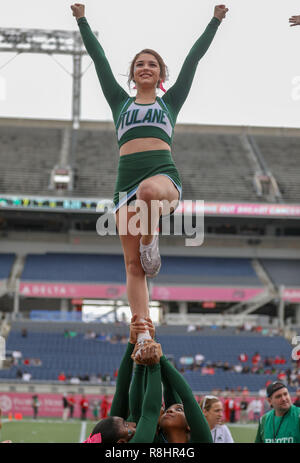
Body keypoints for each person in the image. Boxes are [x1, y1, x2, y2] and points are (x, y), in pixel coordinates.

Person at [71, 3, 228, 357]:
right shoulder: (119, 103)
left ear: (160, 76)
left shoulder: (170, 102)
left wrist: (214, 21)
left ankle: (150, 236)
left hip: (162, 178)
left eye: (152, 64)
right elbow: (98, 60)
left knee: (148, 192)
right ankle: (142, 330)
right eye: (140, 63)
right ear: (132, 75)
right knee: (132, 266)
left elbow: (193, 59)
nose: (145, 67)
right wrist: (82, 20)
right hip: (123, 185)